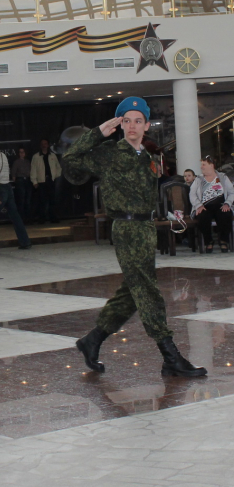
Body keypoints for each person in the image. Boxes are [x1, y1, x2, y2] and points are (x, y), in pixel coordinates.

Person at [66, 96, 206, 378]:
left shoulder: (150, 156)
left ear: (145, 125)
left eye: (137, 121)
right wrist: (96, 134)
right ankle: (170, 355)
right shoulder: (108, 152)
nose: (132, 126)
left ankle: (92, 340)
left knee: (133, 291)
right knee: (147, 291)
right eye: (126, 120)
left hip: (145, 228)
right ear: (119, 124)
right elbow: (70, 166)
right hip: (126, 228)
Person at [189, 155, 234, 253]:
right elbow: (192, 194)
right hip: (204, 206)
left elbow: (231, 192)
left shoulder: (222, 177)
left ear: (211, 165)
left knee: (226, 214)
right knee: (202, 216)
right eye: (201, 165)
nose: (201, 167)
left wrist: (228, 203)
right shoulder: (199, 179)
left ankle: (223, 240)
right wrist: (198, 205)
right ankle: (208, 241)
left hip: (221, 204)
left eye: (204, 165)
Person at [31, 139, 62, 223]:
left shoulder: (53, 156)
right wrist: (34, 181)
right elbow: (33, 170)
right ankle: (42, 218)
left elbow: (58, 167)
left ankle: (53, 217)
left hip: (50, 180)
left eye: (45, 144)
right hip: (41, 181)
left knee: (52, 200)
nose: (44, 145)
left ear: (48, 145)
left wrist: (55, 176)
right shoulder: (36, 156)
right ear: (40, 146)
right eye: (42, 144)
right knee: (42, 201)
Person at [11, 147, 33, 222]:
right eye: (20, 152)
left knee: (28, 200)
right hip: (20, 180)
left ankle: (28, 218)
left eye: (23, 152)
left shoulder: (27, 161)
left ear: (25, 153)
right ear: (18, 153)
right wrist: (15, 181)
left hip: (28, 180)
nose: (22, 153)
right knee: (21, 200)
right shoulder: (16, 162)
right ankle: (21, 218)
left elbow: (31, 171)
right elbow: (13, 172)